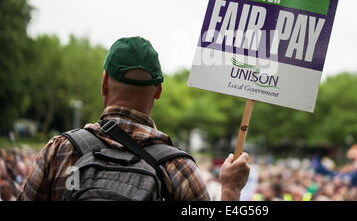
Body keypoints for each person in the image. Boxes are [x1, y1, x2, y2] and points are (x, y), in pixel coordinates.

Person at [17, 36, 250, 201]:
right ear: (158, 91)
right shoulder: (178, 169)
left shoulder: (59, 151)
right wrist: (230, 190)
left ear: (104, 82)